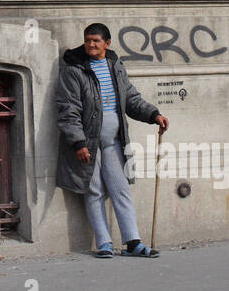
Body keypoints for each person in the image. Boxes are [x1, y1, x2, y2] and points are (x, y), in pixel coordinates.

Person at [56, 22, 169, 258]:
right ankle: (104, 243)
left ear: (107, 44)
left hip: (114, 142)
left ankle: (133, 242)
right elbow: (68, 110)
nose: (91, 44)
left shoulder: (115, 65)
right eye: (88, 40)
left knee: (121, 189)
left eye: (96, 41)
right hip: (88, 144)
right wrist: (78, 143)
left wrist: (153, 114)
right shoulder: (74, 69)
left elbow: (131, 98)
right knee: (94, 191)